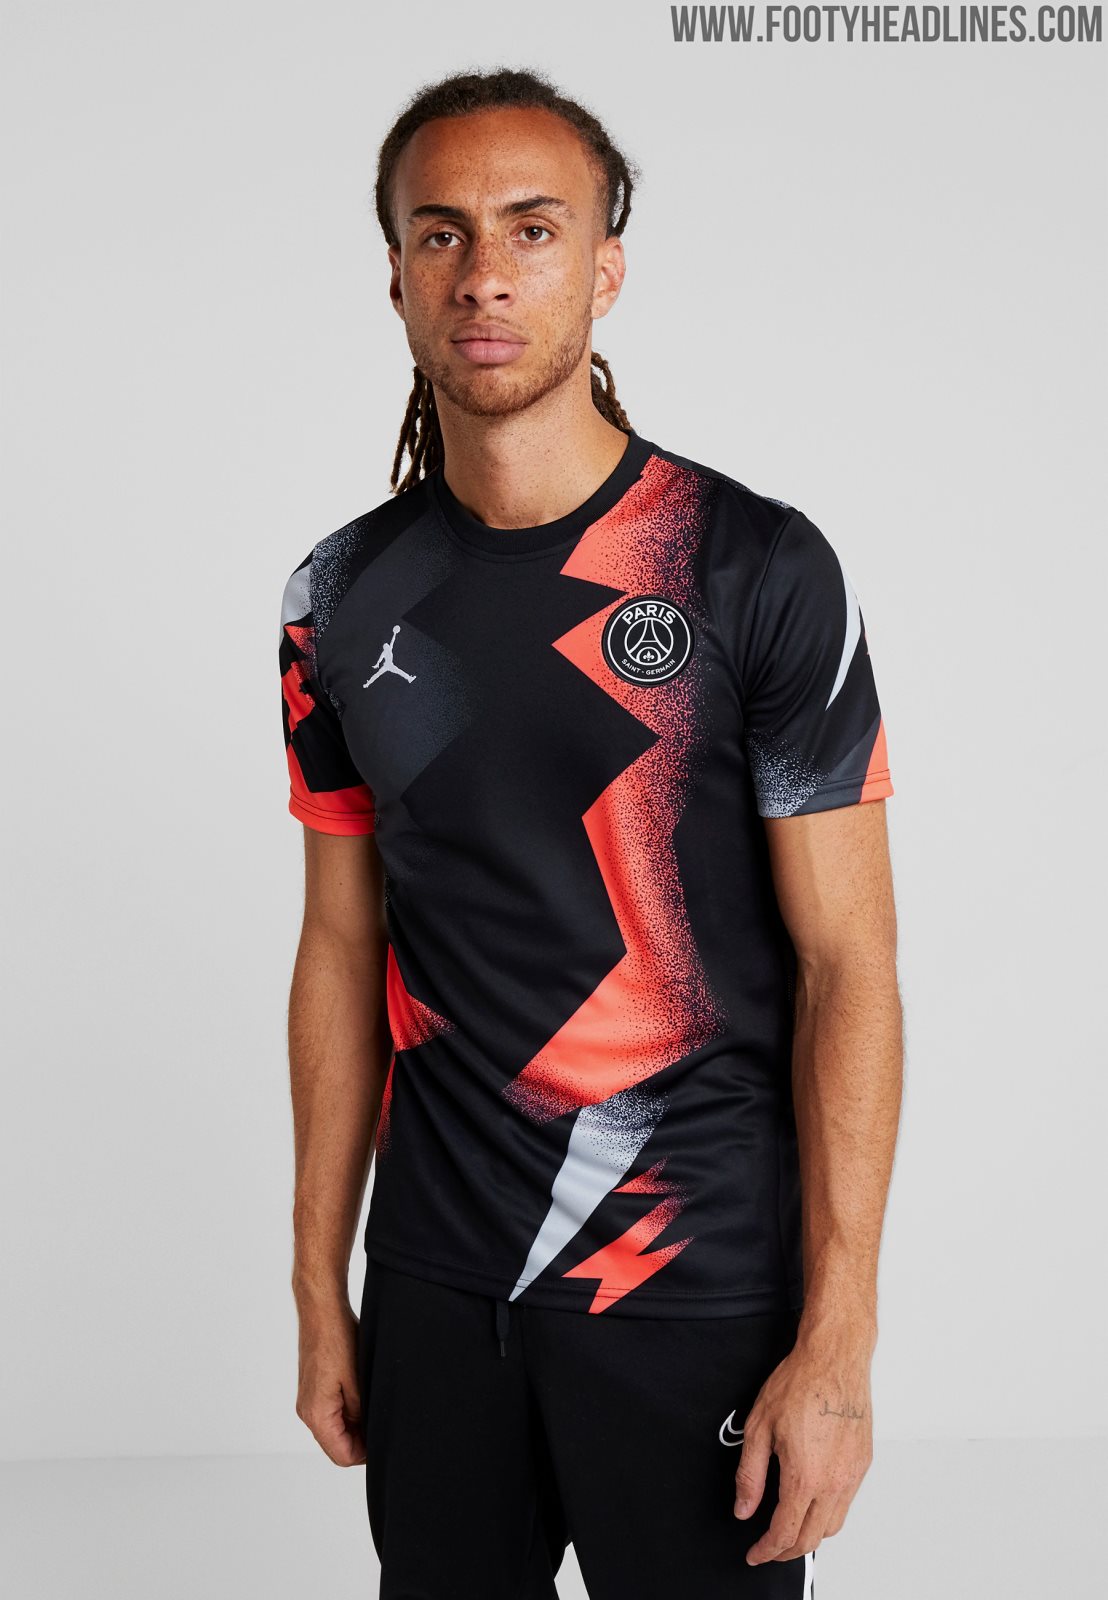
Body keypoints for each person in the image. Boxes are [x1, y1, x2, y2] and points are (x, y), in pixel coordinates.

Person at [279, 66, 902, 1600]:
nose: (484, 272)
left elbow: (849, 970)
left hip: (689, 1285)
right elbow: (341, 943)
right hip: (437, 1290)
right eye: (440, 232)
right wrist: (316, 1286)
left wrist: (838, 1343)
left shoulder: (752, 567)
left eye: (533, 227)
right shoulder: (337, 598)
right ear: (396, 276)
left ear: (605, 269)